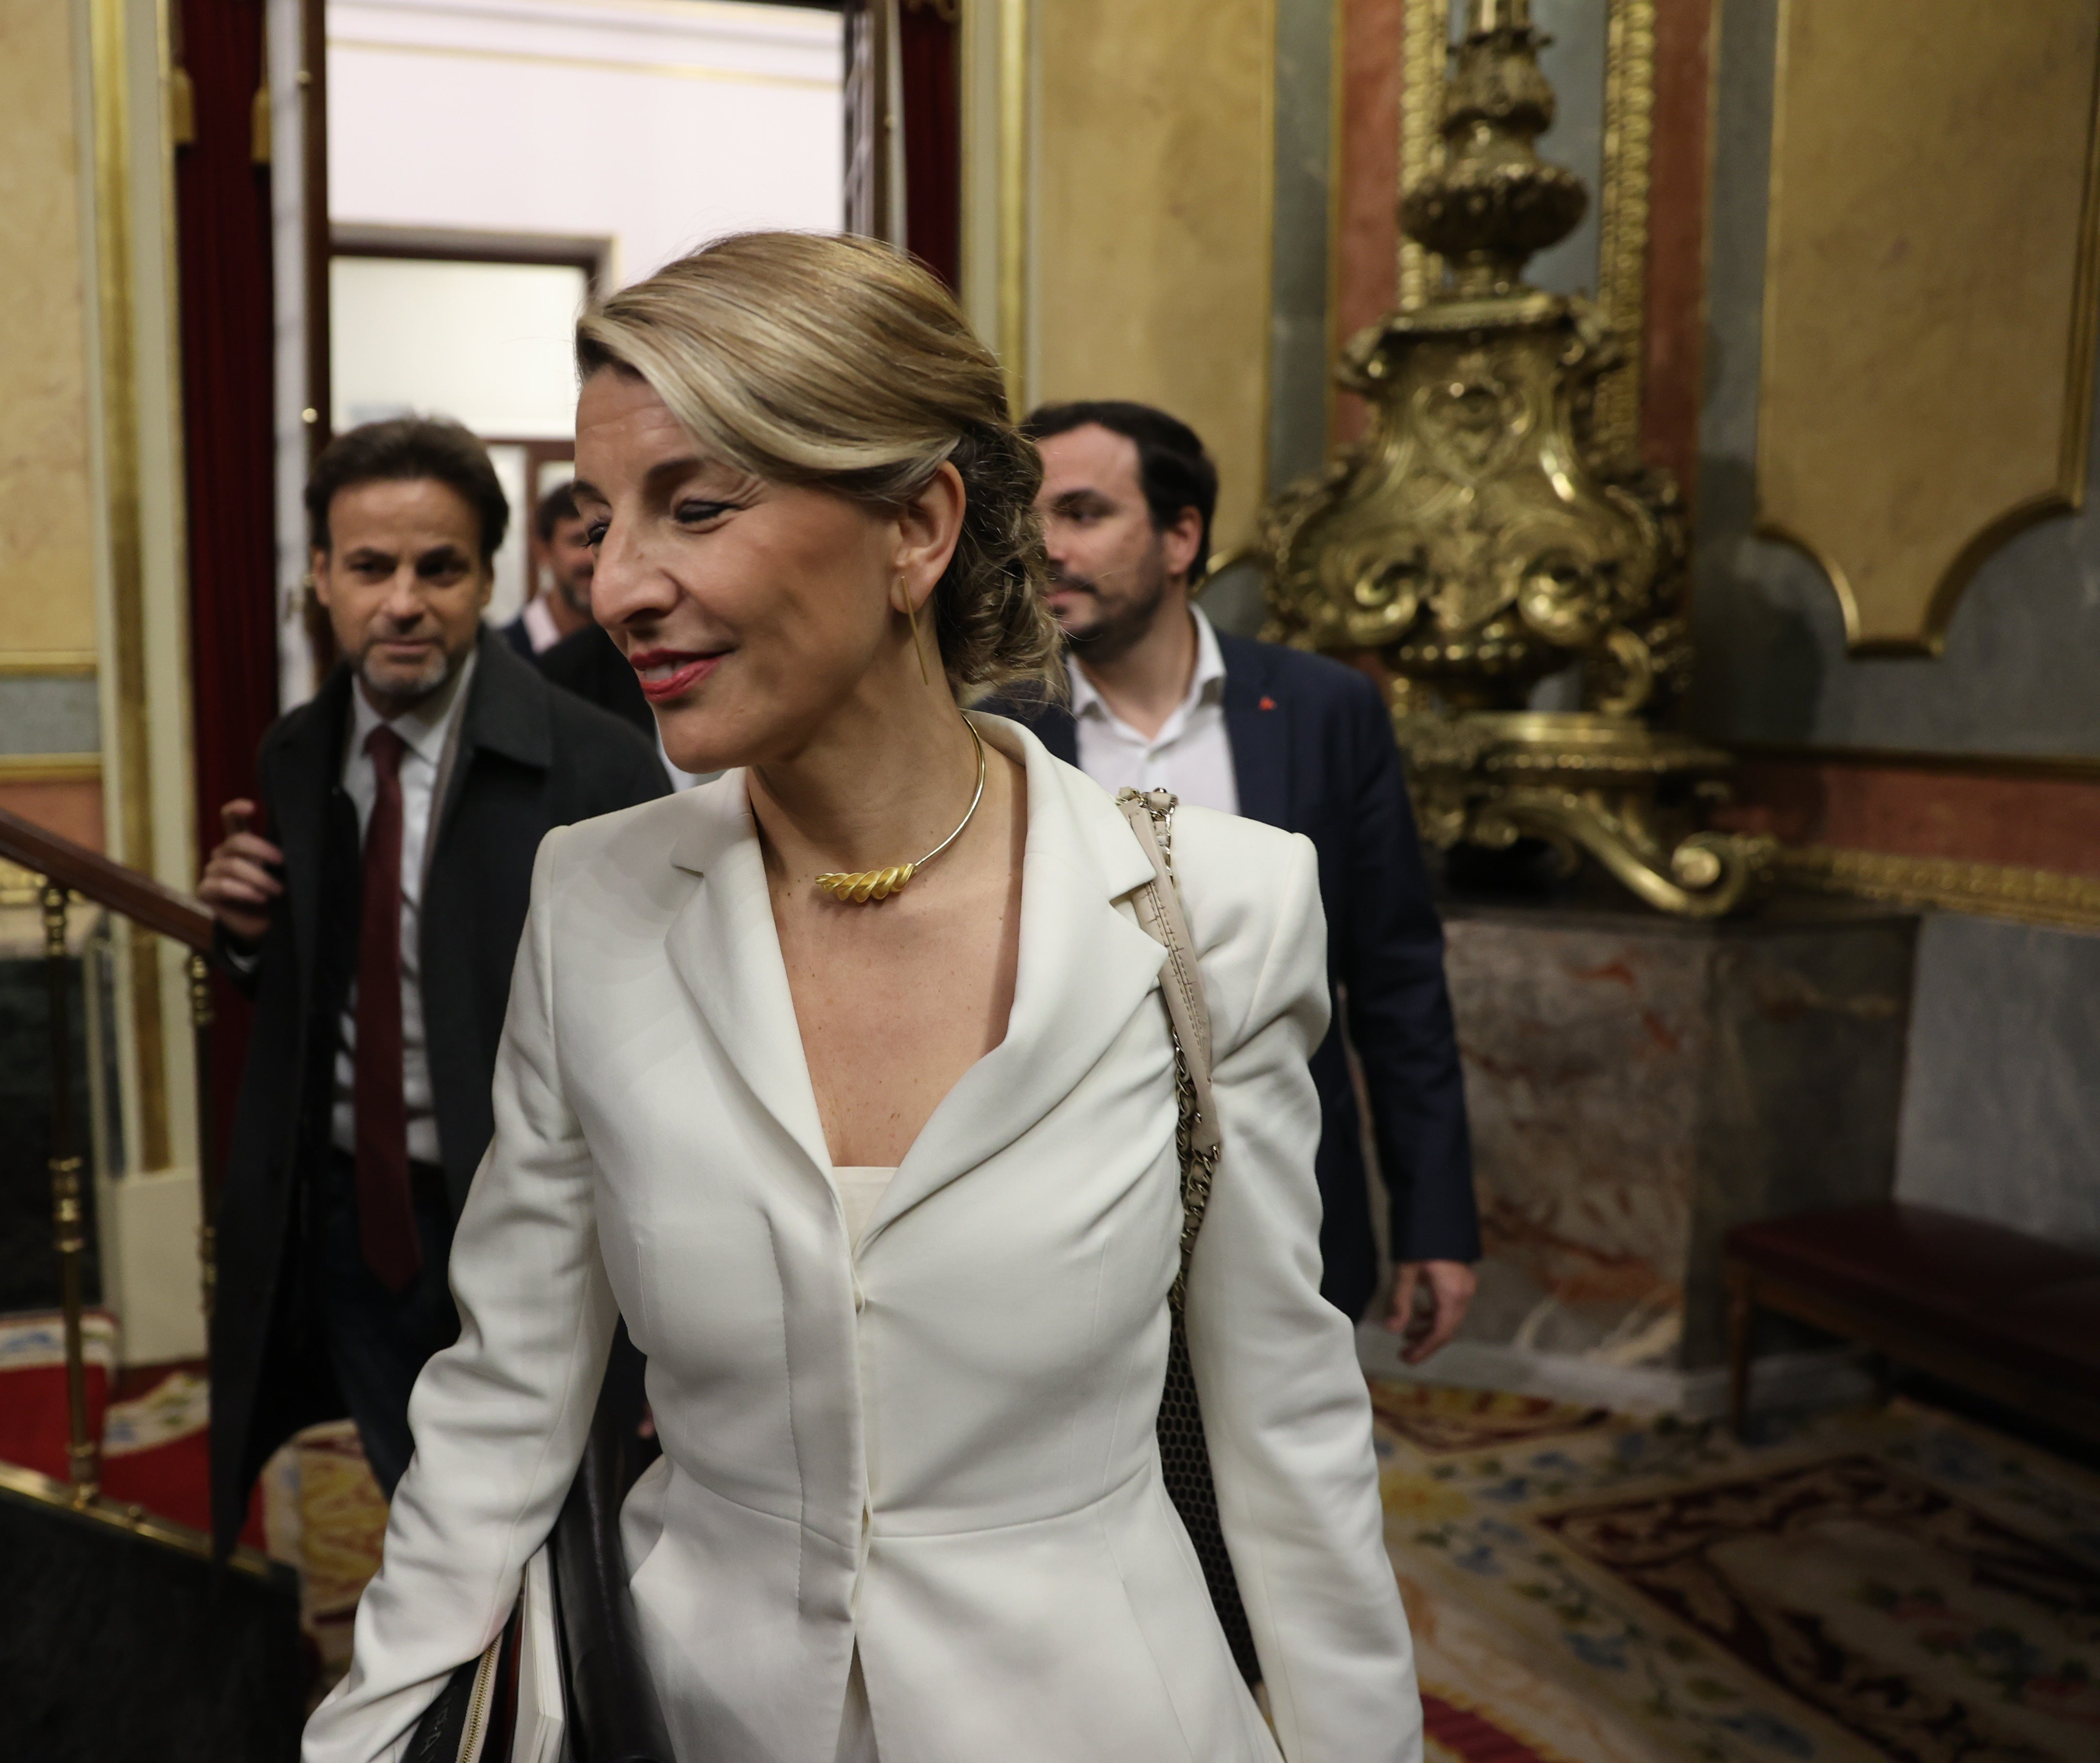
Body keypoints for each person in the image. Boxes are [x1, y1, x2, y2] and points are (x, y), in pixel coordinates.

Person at [304, 234, 1418, 1763]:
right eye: (603, 520)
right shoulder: (596, 899)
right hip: (699, 1715)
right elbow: (506, 1401)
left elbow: (1288, 1428)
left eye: (695, 507)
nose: (617, 586)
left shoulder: (1215, 911)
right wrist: (371, 1733)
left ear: (918, 526)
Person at [197, 417, 668, 1537]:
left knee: (551, 1529)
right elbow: (328, 984)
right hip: (350, 1222)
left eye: (438, 569)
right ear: (321, 577)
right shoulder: (296, 751)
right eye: (370, 568)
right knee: (414, 1501)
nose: (402, 603)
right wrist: (250, 935)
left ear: (486, 579)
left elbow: (662, 1038)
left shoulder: (599, 765)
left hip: (529, 1230)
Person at [992, 399, 1482, 1360]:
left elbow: (1396, 978)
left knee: (1286, 1448)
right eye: (1029, 519)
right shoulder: (998, 729)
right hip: (1070, 1209)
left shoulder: (1322, 710)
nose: (1044, 547)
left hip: (1288, 1193)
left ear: (1181, 537)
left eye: (1083, 513)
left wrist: (1435, 1220)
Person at [501, 480, 598, 657]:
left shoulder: (628, 650)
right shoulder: (503, 653)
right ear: (544, 551)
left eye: (600, 539)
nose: (592, 558)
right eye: (578, 541)